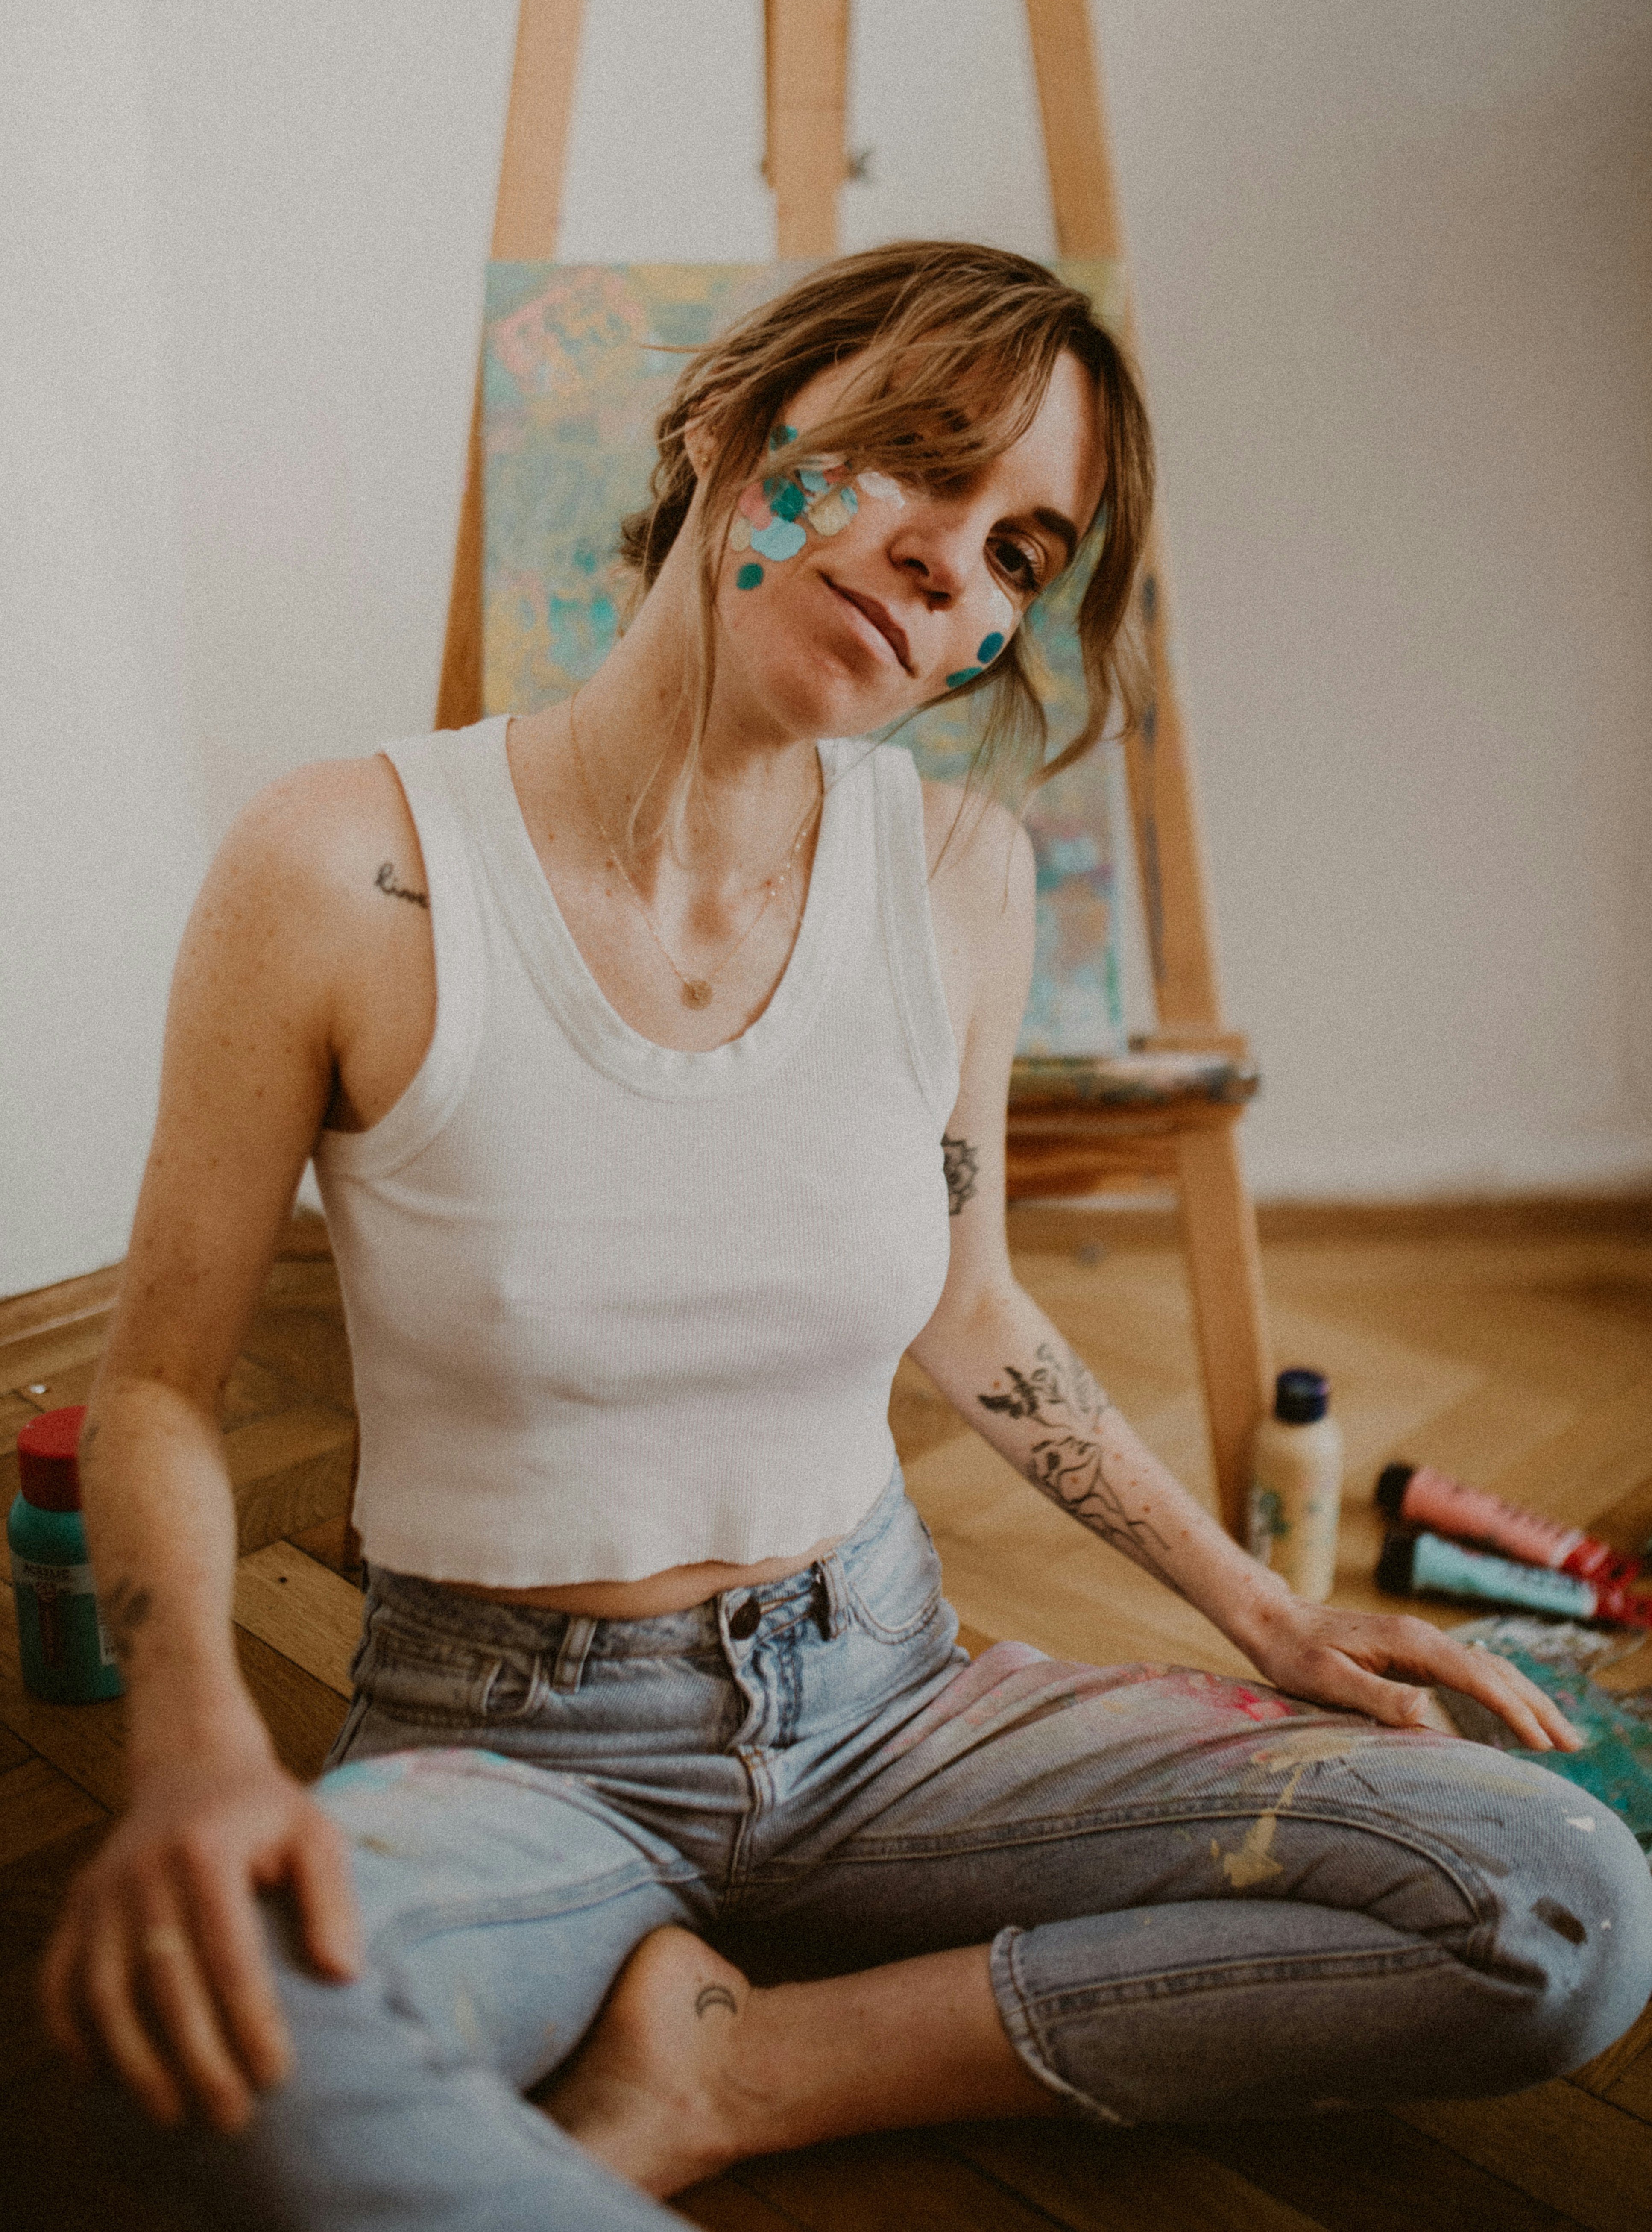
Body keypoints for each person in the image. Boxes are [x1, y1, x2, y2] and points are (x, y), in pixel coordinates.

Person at [44, 244, 1651, 2230]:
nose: (948, 567)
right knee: (233, 2049)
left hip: (895, 1698)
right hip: (509, 1749)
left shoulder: (959, 874)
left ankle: (746, 2067)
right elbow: (156, 1394)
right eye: (915, 463)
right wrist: (196, 1749)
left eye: (1016, 552)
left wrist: (1260, 1607)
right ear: (735, 426)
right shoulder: (345, 872)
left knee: (1561, 1900)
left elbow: (969, 1307)